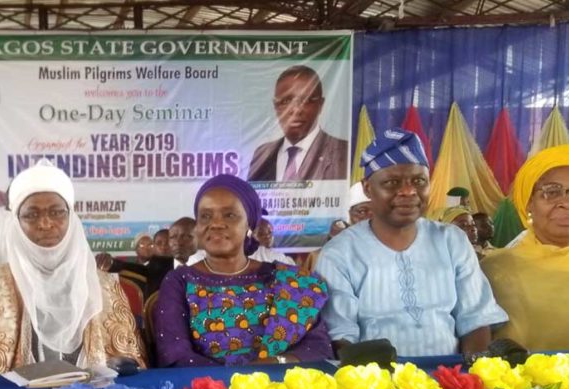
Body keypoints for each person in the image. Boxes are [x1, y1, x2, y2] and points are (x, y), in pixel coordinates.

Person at [315, 128, 506, 357]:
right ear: (368, 188)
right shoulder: (339, 253)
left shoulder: (452, 240)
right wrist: (376, 376)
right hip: (375, 376)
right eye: (392, 182)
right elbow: (340, 336)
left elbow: (476, 319)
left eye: (419, 181)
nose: (408, 191)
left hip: (449, 374)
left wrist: (473, 370)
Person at [0, 160, 145, 374]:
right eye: (31, 215)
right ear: (16, 222)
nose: (45, 224)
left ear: (71, 217)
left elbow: (130, 367)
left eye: (56, 212)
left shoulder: (104, 286)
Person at [154, 174, 332, 367]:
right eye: (205, 216)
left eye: (229, 215)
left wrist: (273, 363)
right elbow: (175, 353)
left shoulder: (286, 281)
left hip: (278, 382)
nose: (216, 223)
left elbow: (318, 347)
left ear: (250, 224)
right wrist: (231, 380)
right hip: (203, 384)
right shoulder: (180, 281)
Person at [482, 145, 569, 350]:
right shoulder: (494, 270)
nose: (568, 202)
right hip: (515, 371)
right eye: (552, 192)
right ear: (529, 202)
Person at [248, 65, 348, 182]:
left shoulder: (342, 152)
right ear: (276, 106)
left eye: (306, 100)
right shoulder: (262, 154)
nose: (296, 110)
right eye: (286, 101)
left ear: (320, 105)